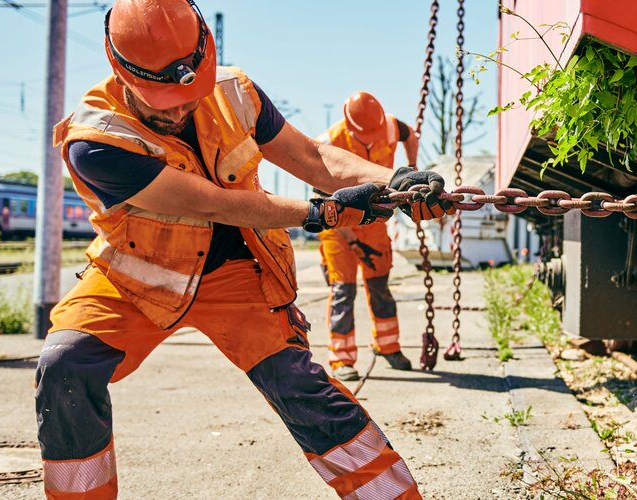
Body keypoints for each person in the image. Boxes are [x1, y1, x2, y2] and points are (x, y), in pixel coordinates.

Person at [35, 1, 452, 498]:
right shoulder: (96, 140)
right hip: (136, 277)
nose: (177, 108)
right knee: (65, 366)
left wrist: (397, 181)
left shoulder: (234, 92)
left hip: (237, 272)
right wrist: (323, 214)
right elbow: (213, 204)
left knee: (301, 389)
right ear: (119, 69)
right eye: (160, 100)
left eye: (187, 94)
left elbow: (313, 158)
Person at [315, 92, 419, 380]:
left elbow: (410, 135)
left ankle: (388, 346)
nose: (372, 140)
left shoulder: (390, 126)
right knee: (343, 292)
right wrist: (351, 240)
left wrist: (412, 165)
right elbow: (323, 203)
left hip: (374, 220)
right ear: (350, 127)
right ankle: (342, 359)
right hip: (338, 225)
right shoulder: (328, 142)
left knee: (380, 286)